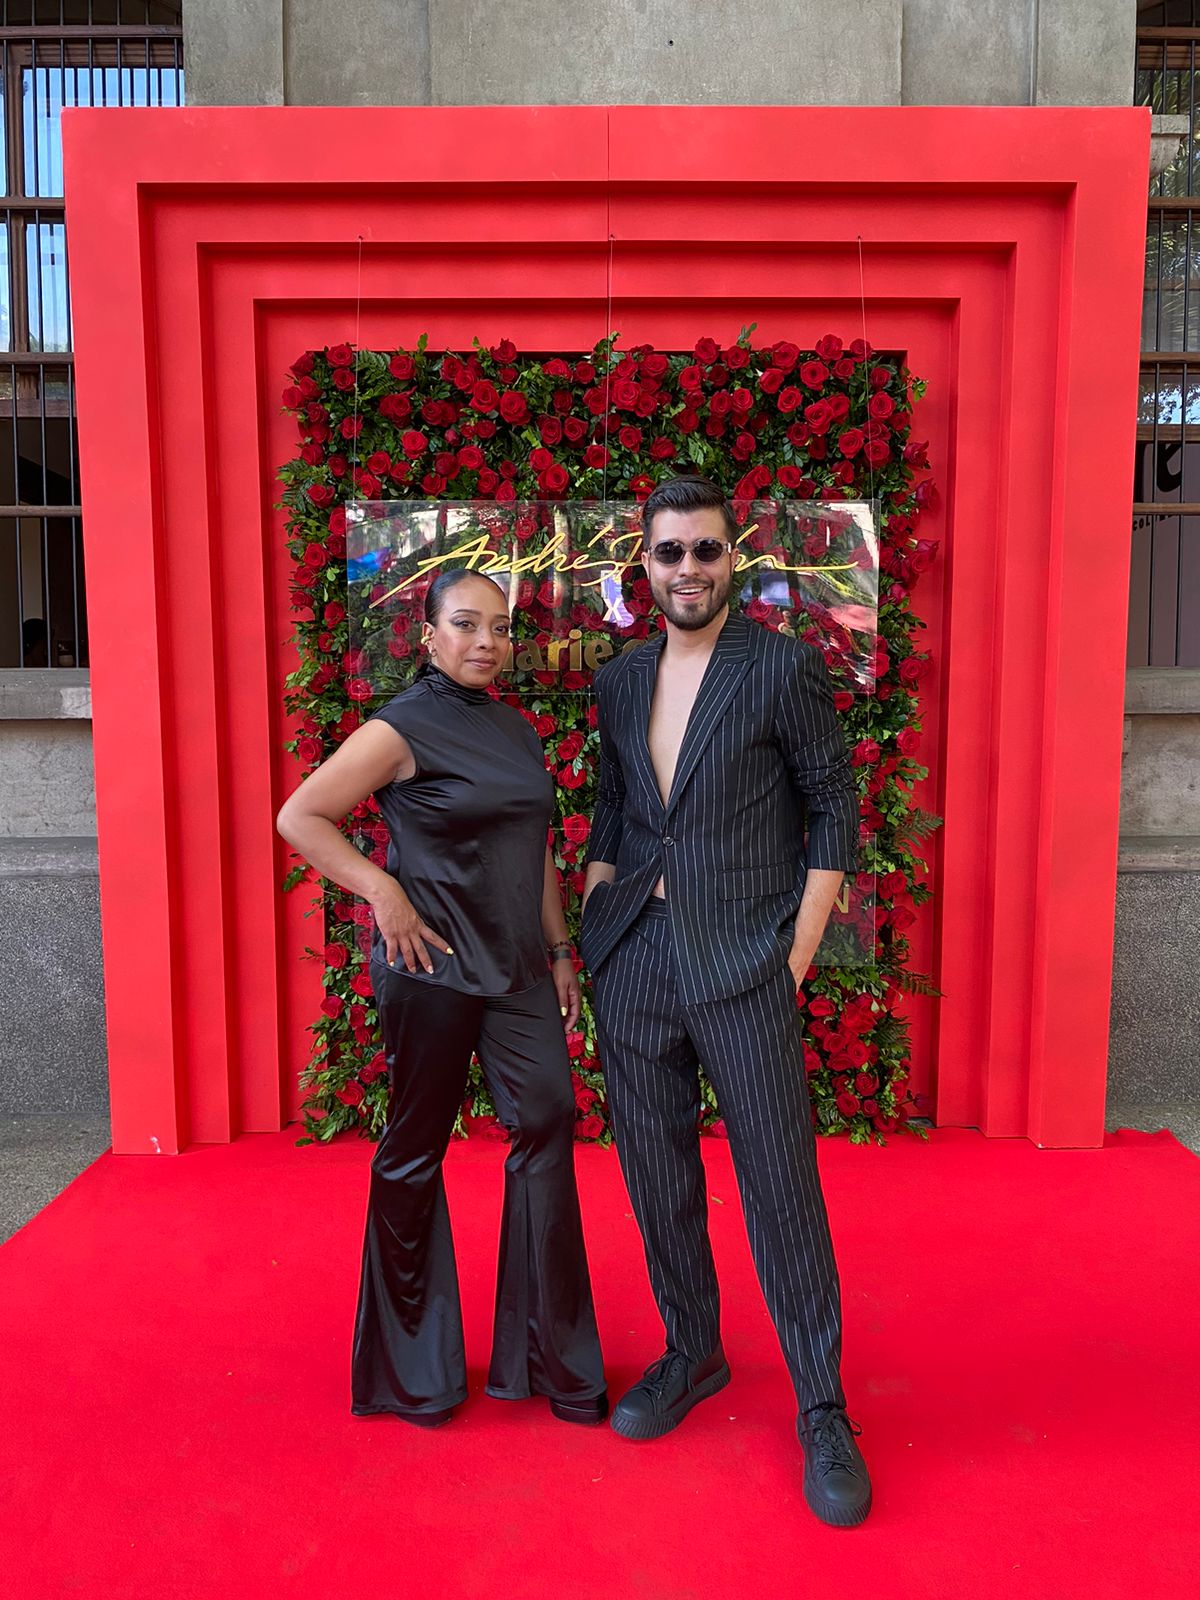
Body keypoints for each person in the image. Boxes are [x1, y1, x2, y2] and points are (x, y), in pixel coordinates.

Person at [579, 475, 871, 1526]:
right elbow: (614, 807)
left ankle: (822, 1406)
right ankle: (693, 1349)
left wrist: (796, 954)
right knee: (657, 1176)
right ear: (645, 564)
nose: (688, 569)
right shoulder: (619, 679)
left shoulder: (780, 667)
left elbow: (834, 804)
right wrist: (598, 931)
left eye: (705, 550)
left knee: (780, 1187)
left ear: (730, 558)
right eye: (670, 552)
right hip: (636, 963)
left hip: (746, 963)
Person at [277, 569, 606, 1429]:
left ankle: (546, 1356)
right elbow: (301, 816)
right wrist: (382, 891)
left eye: (499, 626)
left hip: (518, 968)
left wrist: (559, 949)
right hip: (429, 965)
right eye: (465, 624)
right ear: (428, 637)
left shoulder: (517, 729)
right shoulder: (400, 728)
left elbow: (534, 847)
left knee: (546, 1119)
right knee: (415, 1147)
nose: (486, 641)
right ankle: (410, 1370)